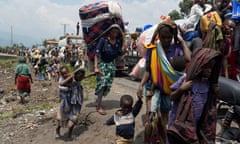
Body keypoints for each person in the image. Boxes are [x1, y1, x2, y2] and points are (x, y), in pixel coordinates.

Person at [136, 20, 191, 143]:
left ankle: (162, 139)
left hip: (168, 90)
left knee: (165, 118)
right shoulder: (153, 50)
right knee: (151, 118)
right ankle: (150, 140)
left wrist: (181, 41)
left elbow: (189, 58)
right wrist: (141, 85)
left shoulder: (177, 48)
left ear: (172, 36)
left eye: (169, 37)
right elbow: (148, 70)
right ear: (158, 36)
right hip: (152, 88)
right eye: (163, 37)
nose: (166, 40)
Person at [168, 48, 222, 143]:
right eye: (208, 67)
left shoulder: (207, 84)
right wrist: (181, 89)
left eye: (212, 68)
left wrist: (216, 91)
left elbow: (210, 105)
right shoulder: (186, 79)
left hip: (194, 125)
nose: (210, 71)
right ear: (200, 65)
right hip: (179, 123)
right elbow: (172, 96)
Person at [55, 66, 95, 139]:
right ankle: (57, 131)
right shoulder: (63, 79)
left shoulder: (75, 77)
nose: (65, 74)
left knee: (73, 118)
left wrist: (92, 74)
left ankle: (70, 134)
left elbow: (83, 77)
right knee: (60, 120)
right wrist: (70, 77)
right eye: (63, 74)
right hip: (66, 102)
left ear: (69, 71)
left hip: (76, 102)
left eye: (66, 72)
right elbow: (61, 84)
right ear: (61, 74)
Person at [94, 24, 125, 115]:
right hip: (102, 65)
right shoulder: (103, 40)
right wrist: (96, 67)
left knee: (107, 86)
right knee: (102, 84)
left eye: (117, 32)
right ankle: (99, 106)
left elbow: (121, 52)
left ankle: (98, 99)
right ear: (109, 31)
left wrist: (124, 41)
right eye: (113, 31)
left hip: (111, 65)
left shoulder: (118, 42)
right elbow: (96, 54)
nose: (115, 33)